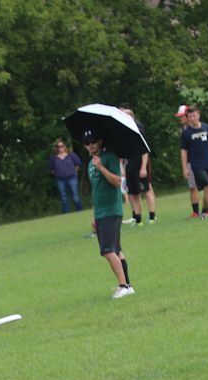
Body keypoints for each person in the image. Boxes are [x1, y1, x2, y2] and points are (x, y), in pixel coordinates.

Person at [83, 129, 134, 299]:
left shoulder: (109, 158)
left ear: (100, 142)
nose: (90, 145)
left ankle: (123, 286)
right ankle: (128, 285)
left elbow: (117, 181)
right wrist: (95, 215)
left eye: (93, 141)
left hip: (112, 211)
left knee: (107, 251)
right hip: (101, 212)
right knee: (116, 250)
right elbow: (97, 191)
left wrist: (101, 167)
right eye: (87, 143)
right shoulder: (90, 163)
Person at [179, 106, 208, 219]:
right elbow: (184, 152)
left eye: (194, 116)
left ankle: (204, 211)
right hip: (196, 165)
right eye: (190, 116)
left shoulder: (207, 128)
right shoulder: (186, 133)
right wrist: (185, 168)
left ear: (198, 115)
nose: (192, 118)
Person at [118, 104, 157, 225]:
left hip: (139, 164)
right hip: (129, 165)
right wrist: (123, 168)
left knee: (147, 189)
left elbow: (145, 150)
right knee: (133, 193)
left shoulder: (138, 131)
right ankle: (138, 218)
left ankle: (152, 216)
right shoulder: (123, 133)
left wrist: (143, 167)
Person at [48, 139, 83, 213]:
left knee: (75, 195)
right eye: (58, 147)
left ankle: (80, 211)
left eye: (62, 146)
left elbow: (78, 163)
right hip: (60, 179)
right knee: (64, 197)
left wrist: (75, 171)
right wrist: (56, 174)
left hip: (72, 177)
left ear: (65, 146)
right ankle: (66, 213)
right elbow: (51, 168)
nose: (60, 148)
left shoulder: (71, 155)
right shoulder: (54, 158)